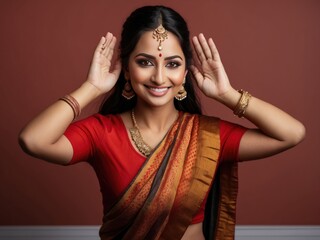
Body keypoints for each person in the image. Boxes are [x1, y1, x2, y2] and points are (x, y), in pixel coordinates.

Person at [18, 5, 305, 240]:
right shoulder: (101, 132)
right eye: (144, 62)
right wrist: (92, 87)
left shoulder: (207, 135)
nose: (158, 77)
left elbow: (291, 134)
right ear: (126, 68)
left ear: (185, 72)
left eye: (172, 64)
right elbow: (33, 140)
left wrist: (227, 95)